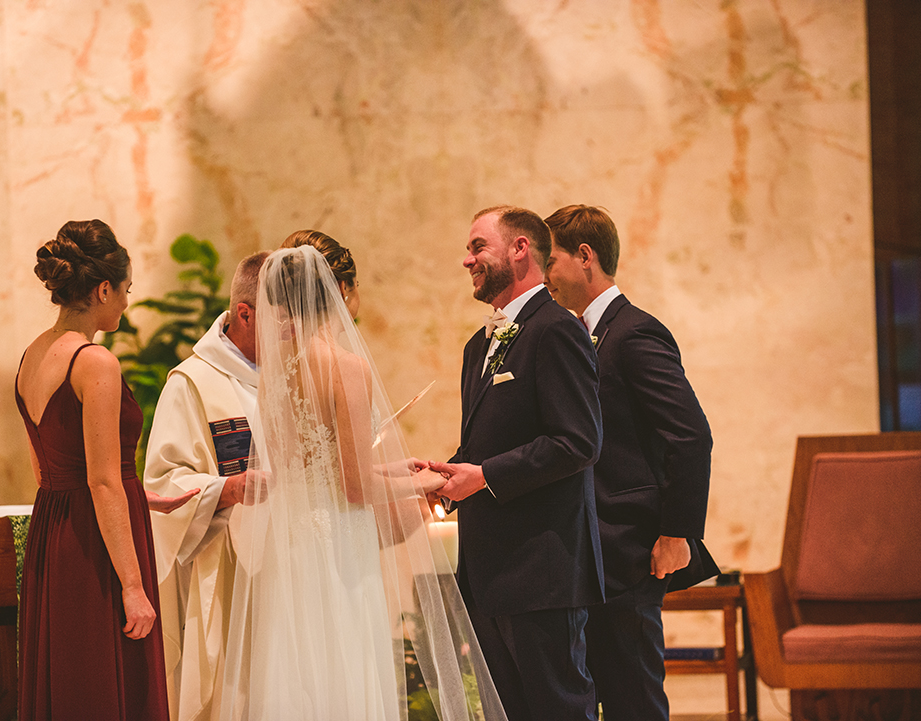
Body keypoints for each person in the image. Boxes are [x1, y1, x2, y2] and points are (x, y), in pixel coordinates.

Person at [218, 238, 509, 721]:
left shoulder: (273, 371)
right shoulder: (345, 368)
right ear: (336, 294)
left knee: (299, 675)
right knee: (346, 669)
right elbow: (355, 491)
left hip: (289, 545)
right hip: (336, 545)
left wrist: (398, 468)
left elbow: (317, 471)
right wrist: (426, 485)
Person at [429, 206, 605, 721]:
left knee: (559, 711)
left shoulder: (556, 329)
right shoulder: (476, 346)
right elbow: (487, 447)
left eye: (478, 246)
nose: (467, 260)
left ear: (520, 248)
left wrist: (482, 477)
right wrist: (442, 475)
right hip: (489, 572)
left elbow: (578, 442)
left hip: (543, 571)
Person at [543, 204, 718, 721]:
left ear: (585, 256)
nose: (546, 277)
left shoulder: (633, 332)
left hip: (629, 549)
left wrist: (676, 532)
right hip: (588, 550)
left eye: (551, 261)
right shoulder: (577, 335)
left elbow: (690, 436)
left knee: (633, 700)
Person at [15, 219, 177, 719]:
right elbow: (102, 479)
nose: (127, 302)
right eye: (126, 290)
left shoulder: (32, 354)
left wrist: (140, 495)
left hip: (54, 536)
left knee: (69, 678)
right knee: (106, 683)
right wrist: (132, 585)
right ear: (104, 288)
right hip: (96, 546)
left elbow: (50, 469)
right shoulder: (95, 363)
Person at [143, 251, 269, 721]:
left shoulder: (293, 374)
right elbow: (163, 482)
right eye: (282, 324)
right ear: (244, 314)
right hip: (224, 570)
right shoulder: (191, 382)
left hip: (283, 567)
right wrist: (230, 489)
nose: (291, 338)